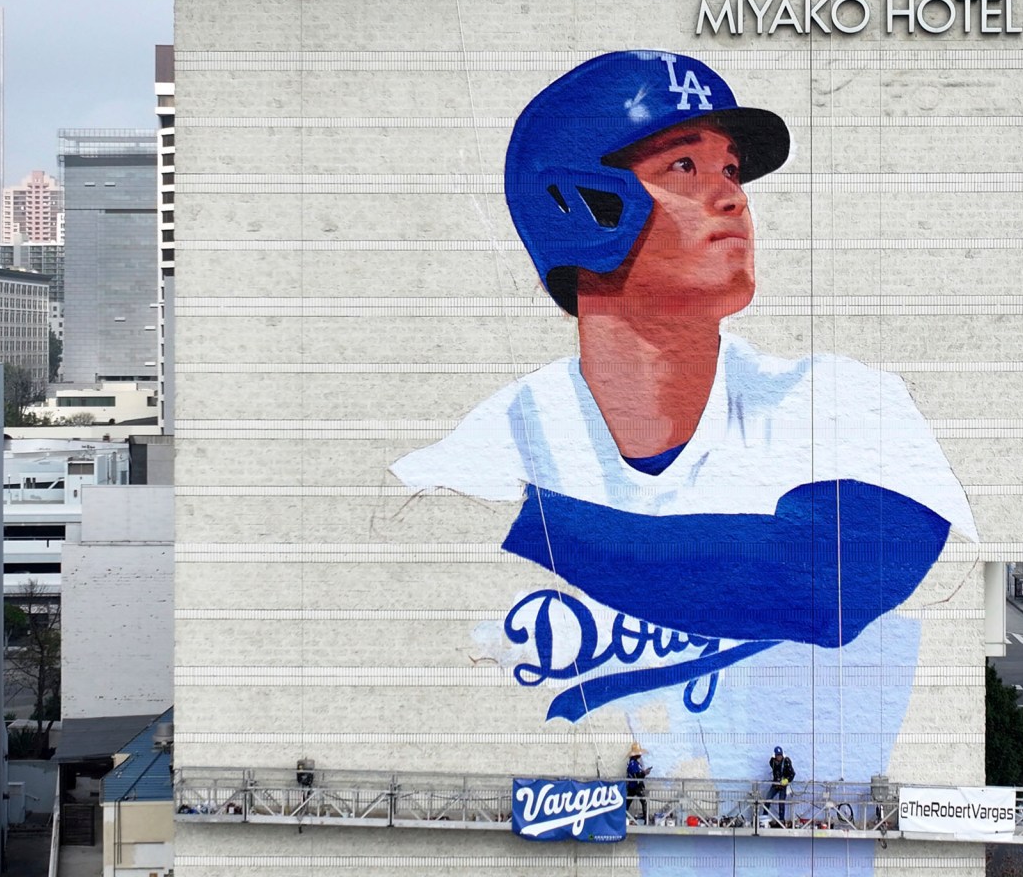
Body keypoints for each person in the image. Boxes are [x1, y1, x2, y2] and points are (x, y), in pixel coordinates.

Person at [394, 53, 975, 791]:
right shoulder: (487, 447)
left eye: (730, 170)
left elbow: (829, 583)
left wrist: (520, 523)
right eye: (683, 169)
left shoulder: (838, 398)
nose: (732, 197)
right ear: (580, 205)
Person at [766, 745, 796, 825]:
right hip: (775, 784)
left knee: (781, 802)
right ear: (775, 755)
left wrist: (787, 780)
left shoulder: (786, 761)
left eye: (780, 755)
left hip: (783, 785)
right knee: (768, 799)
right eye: (777, 755)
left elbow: (792, 774)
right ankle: (764, 817)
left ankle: (781, 820)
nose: (779, 757)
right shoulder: (772, 762)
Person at [625, 743, 649, 822]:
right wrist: (644, 773)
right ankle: (646, 819)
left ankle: (645, 818)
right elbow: (636, 775)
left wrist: (644, 773)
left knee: (628, 802)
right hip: (635, 786)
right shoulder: (633, 764)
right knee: (643, 801)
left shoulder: (636, 763)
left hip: (636, 785)